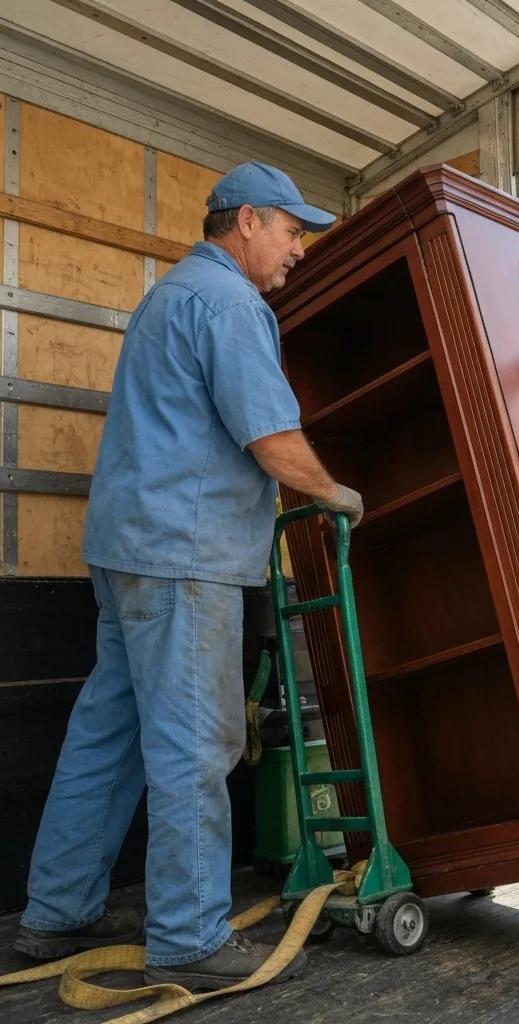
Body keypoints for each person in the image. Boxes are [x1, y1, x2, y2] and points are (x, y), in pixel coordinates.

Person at [16, 161, 361, 988]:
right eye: (290, 229)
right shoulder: (230, 304)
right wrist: (336, 493)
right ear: (246, 221)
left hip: (127, 550)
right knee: (195, 744)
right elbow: (271, 438)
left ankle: (55, 914)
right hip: (184, 556)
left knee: (108, 737)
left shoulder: (170, 296)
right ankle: (189, 936)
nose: (298, 251)